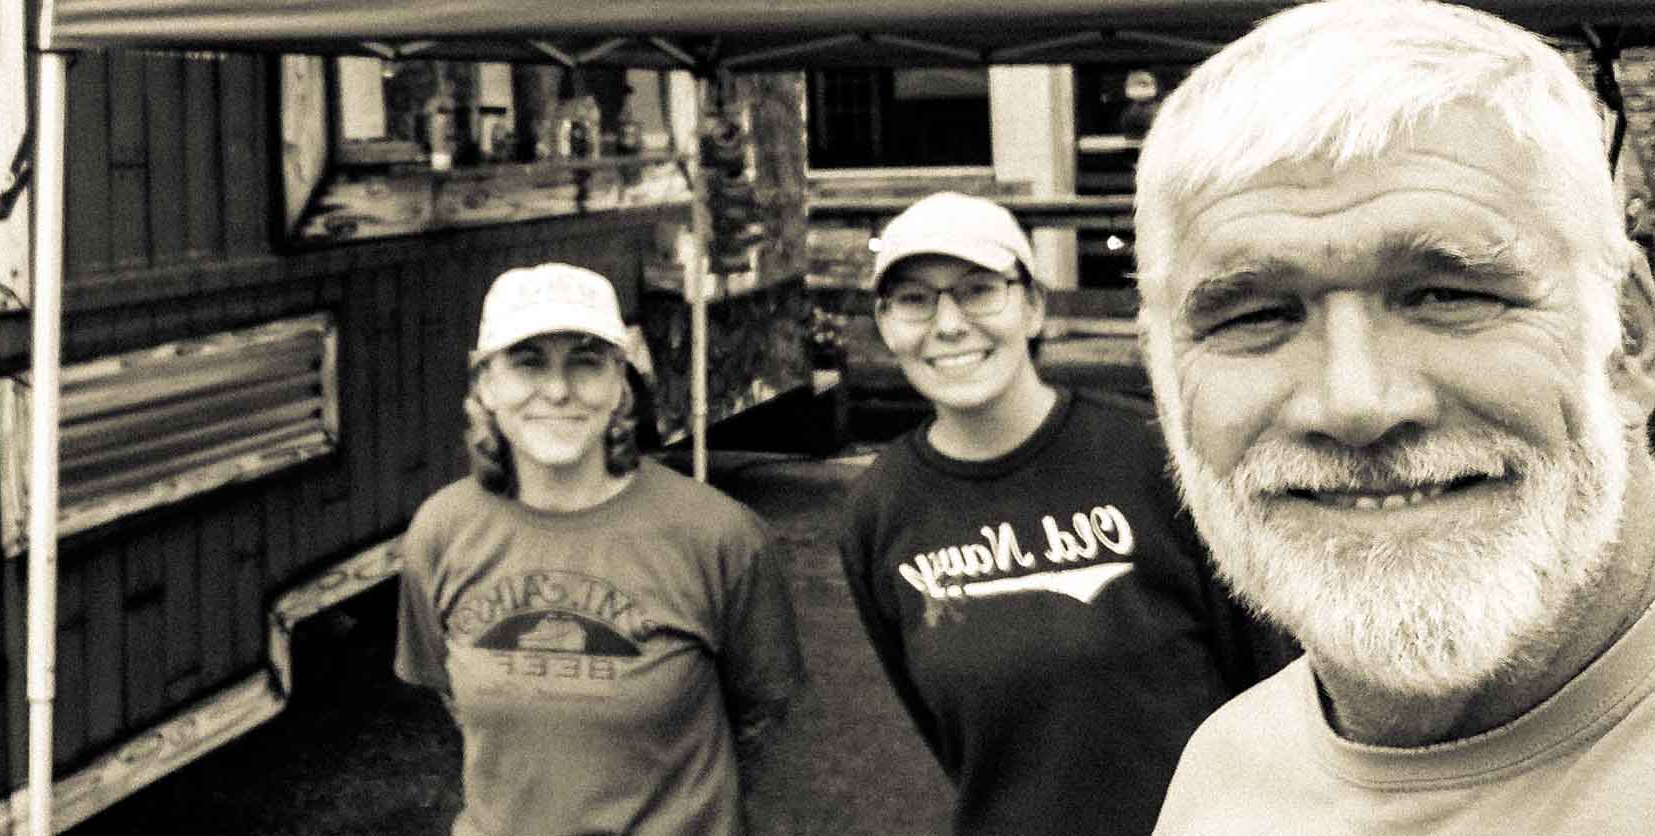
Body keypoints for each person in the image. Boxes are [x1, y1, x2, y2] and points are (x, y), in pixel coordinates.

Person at [1133, 0, 1655, 834]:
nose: (1355, 404)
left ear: (1628, 339)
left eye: (1447, 293)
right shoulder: (1225, 780)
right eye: (1255, 315)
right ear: (1161, 376)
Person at [837, 191, 1290, 836]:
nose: (948, 324)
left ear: (1032, 306)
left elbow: (1271, 669)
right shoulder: (878, 510)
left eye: (978, 289)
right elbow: (946, 733)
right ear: (885, 324)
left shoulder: (1152, 460)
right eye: (914, 298)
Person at [394, 262, 806, 836]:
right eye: (528, 362)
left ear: (619, 385)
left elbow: (760, 712)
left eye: (585, 362)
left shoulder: (719, 535)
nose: (558, 391)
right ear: (486, 385)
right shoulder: (442, 530)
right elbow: (451, 696)